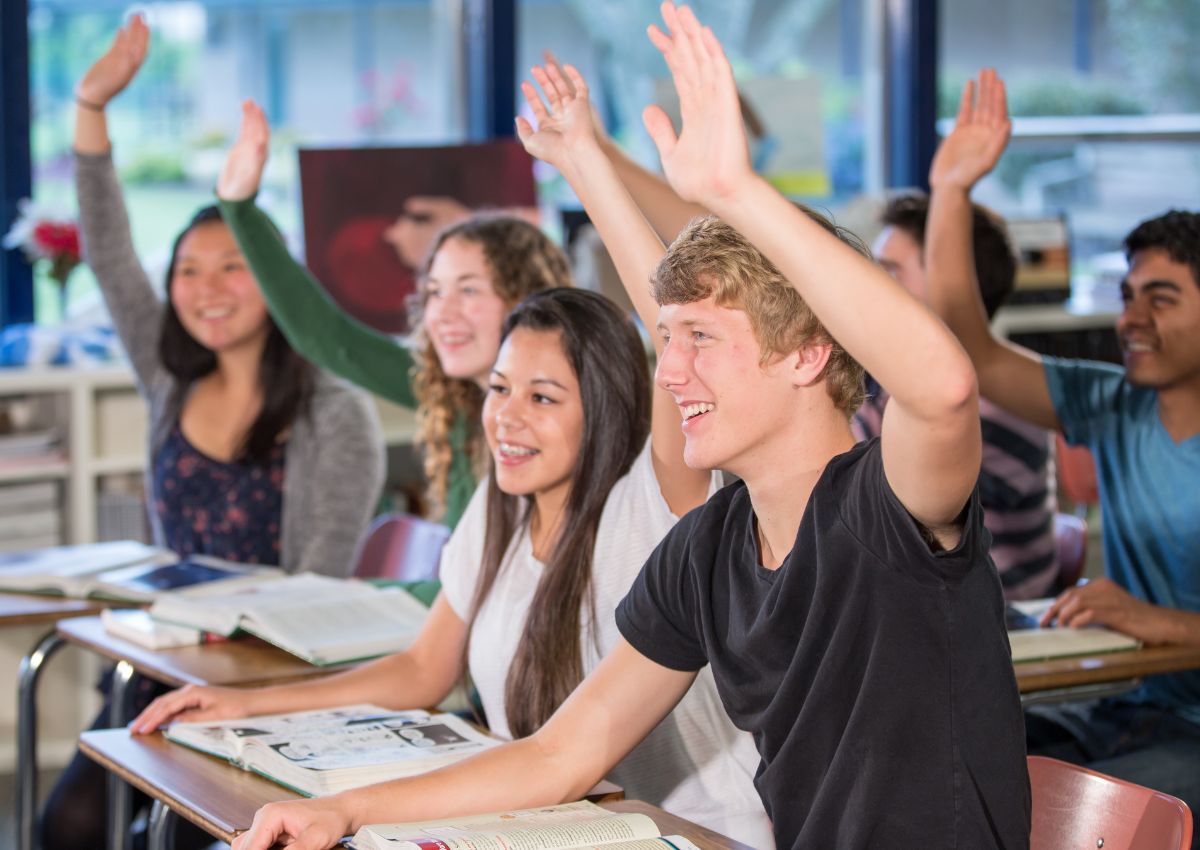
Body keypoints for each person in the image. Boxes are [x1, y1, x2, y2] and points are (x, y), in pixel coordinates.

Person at [226, 7, 1029, 850]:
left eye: (701, 344)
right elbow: (561, 754)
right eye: (667, 344)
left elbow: (942, 387)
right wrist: (346, 809)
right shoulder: (710, 548)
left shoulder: (887, 506)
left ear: (806, 356)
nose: (669, 371)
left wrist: (735, 193)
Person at [132, 288, 771, 843]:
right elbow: (421, 669)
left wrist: (584, 158)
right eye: (499, 388)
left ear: (604, 409)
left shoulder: (652, 501)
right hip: (559, 822)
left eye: (543, 398)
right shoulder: (504, 501)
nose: (506, 417)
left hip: (690, 833)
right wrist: (247, 706)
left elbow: (665, 317)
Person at [43, 16, 385, 850]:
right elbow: (111, 248)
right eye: (189, 271)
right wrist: (91, 106)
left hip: (270, 693)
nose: (209, 289)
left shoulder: (334, 416)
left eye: (234, 266)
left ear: (273, 279)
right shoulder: (170, 381)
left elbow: (316, 598)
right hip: (162, 674)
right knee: (72, 826)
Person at [924, 66, 1200, 835]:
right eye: (1127, 295)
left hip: (1190, 735)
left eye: (1162, 298)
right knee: (959, 770)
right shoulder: (1110, 402)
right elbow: (970, 351)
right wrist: (951, 192)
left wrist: (1159, 620)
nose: (1131, 318)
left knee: (1056, 816)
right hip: (1125, 706)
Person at [215, 101, 573, 527]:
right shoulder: (455, 398)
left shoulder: (558, 426)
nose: (443, 314)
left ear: (525, 298)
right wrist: (239, 208)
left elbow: (490, 592)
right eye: (435, 292)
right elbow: (329, 340)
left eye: (469, 290)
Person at [853, 192, 1059, 600]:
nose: (873, 284)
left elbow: (882, 520)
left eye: (892, 270)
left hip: (996, 625)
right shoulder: (888, 380)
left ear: (955, 284)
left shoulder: (993, 406)